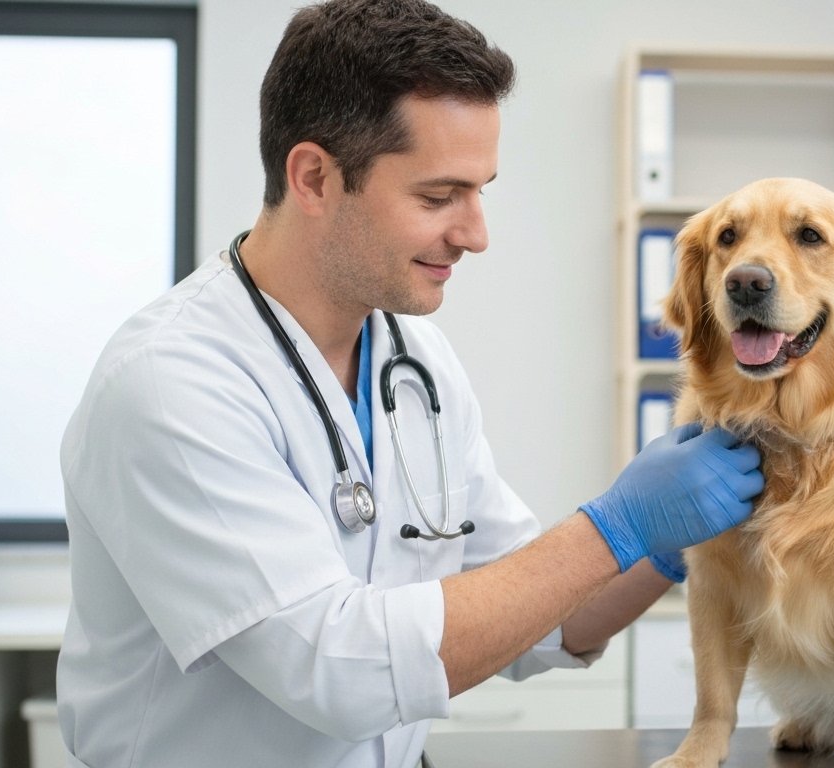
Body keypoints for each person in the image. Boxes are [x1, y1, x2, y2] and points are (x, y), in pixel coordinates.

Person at [54, 1, 763, 766]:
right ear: (315, 177)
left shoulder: (417, 364)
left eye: (480, 190)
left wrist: (659, 545)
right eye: (438, 197)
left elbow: (541, 612)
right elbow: (334, 670)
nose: (475, 234)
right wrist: (613, 528)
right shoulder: (171, 385)